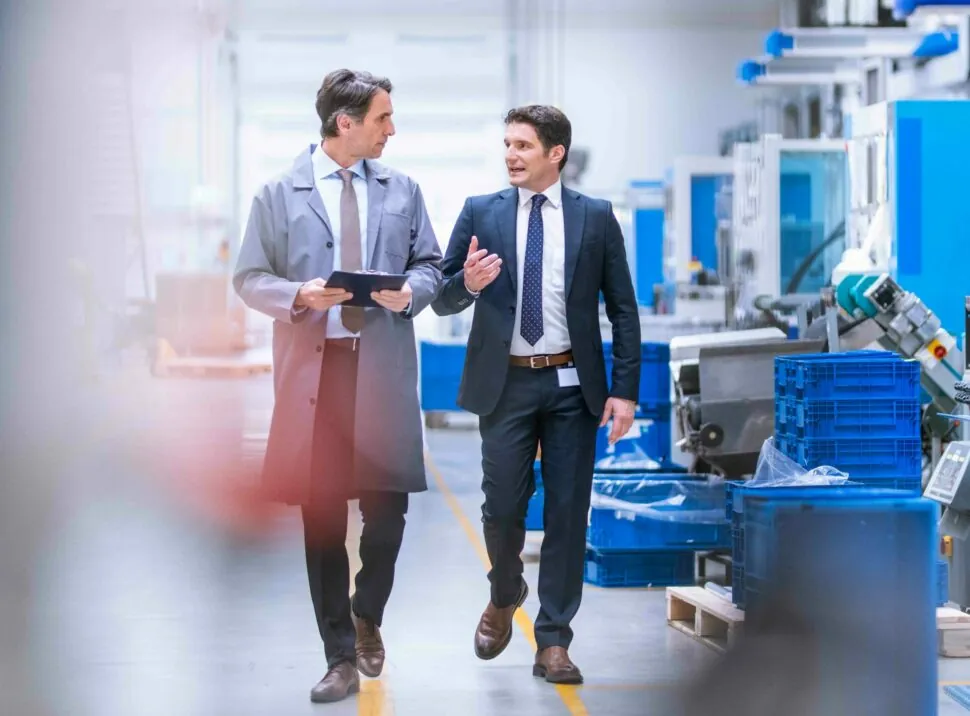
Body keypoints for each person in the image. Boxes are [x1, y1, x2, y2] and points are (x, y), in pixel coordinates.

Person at [233, 69, 442, 704]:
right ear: (343, 124)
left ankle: (366, 612)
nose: (392, 129)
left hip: (380, 367)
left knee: (388, 509)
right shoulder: (278, 193)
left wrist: (412, 293)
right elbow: (248, 276)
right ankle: (339, 656)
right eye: (382, 118)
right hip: (315, 374)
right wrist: (295, 294)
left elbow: (431, 264)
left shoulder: (403, 189)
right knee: (321, 516)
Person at [431, 105, 641, 685]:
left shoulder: (596, 218)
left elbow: (623, 310)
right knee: (501, 508)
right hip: (506, 384)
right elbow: (442, 296)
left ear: (556, 154)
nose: (511, 155)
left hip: (574, 386)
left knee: (569, 513)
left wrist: (624, 391)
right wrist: (465, 285)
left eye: (523, 145)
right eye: (506, 144)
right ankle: (505, 592)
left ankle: (553, 638)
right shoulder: (481, 212)